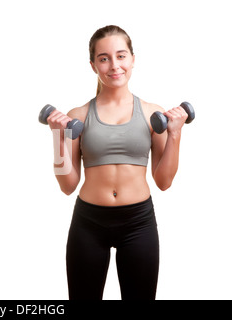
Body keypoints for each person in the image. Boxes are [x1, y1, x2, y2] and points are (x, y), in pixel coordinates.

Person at [46, 25, 188, 300]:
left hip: (138, 223)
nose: (114, 65)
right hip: (89, 222)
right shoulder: (79, 115)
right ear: (93, 65)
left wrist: (175, 133)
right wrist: (57, 139)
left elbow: (164, 182)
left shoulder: (152, 113)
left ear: (133, 59)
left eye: (121, 56)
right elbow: (67, 185)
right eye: (104, 58)